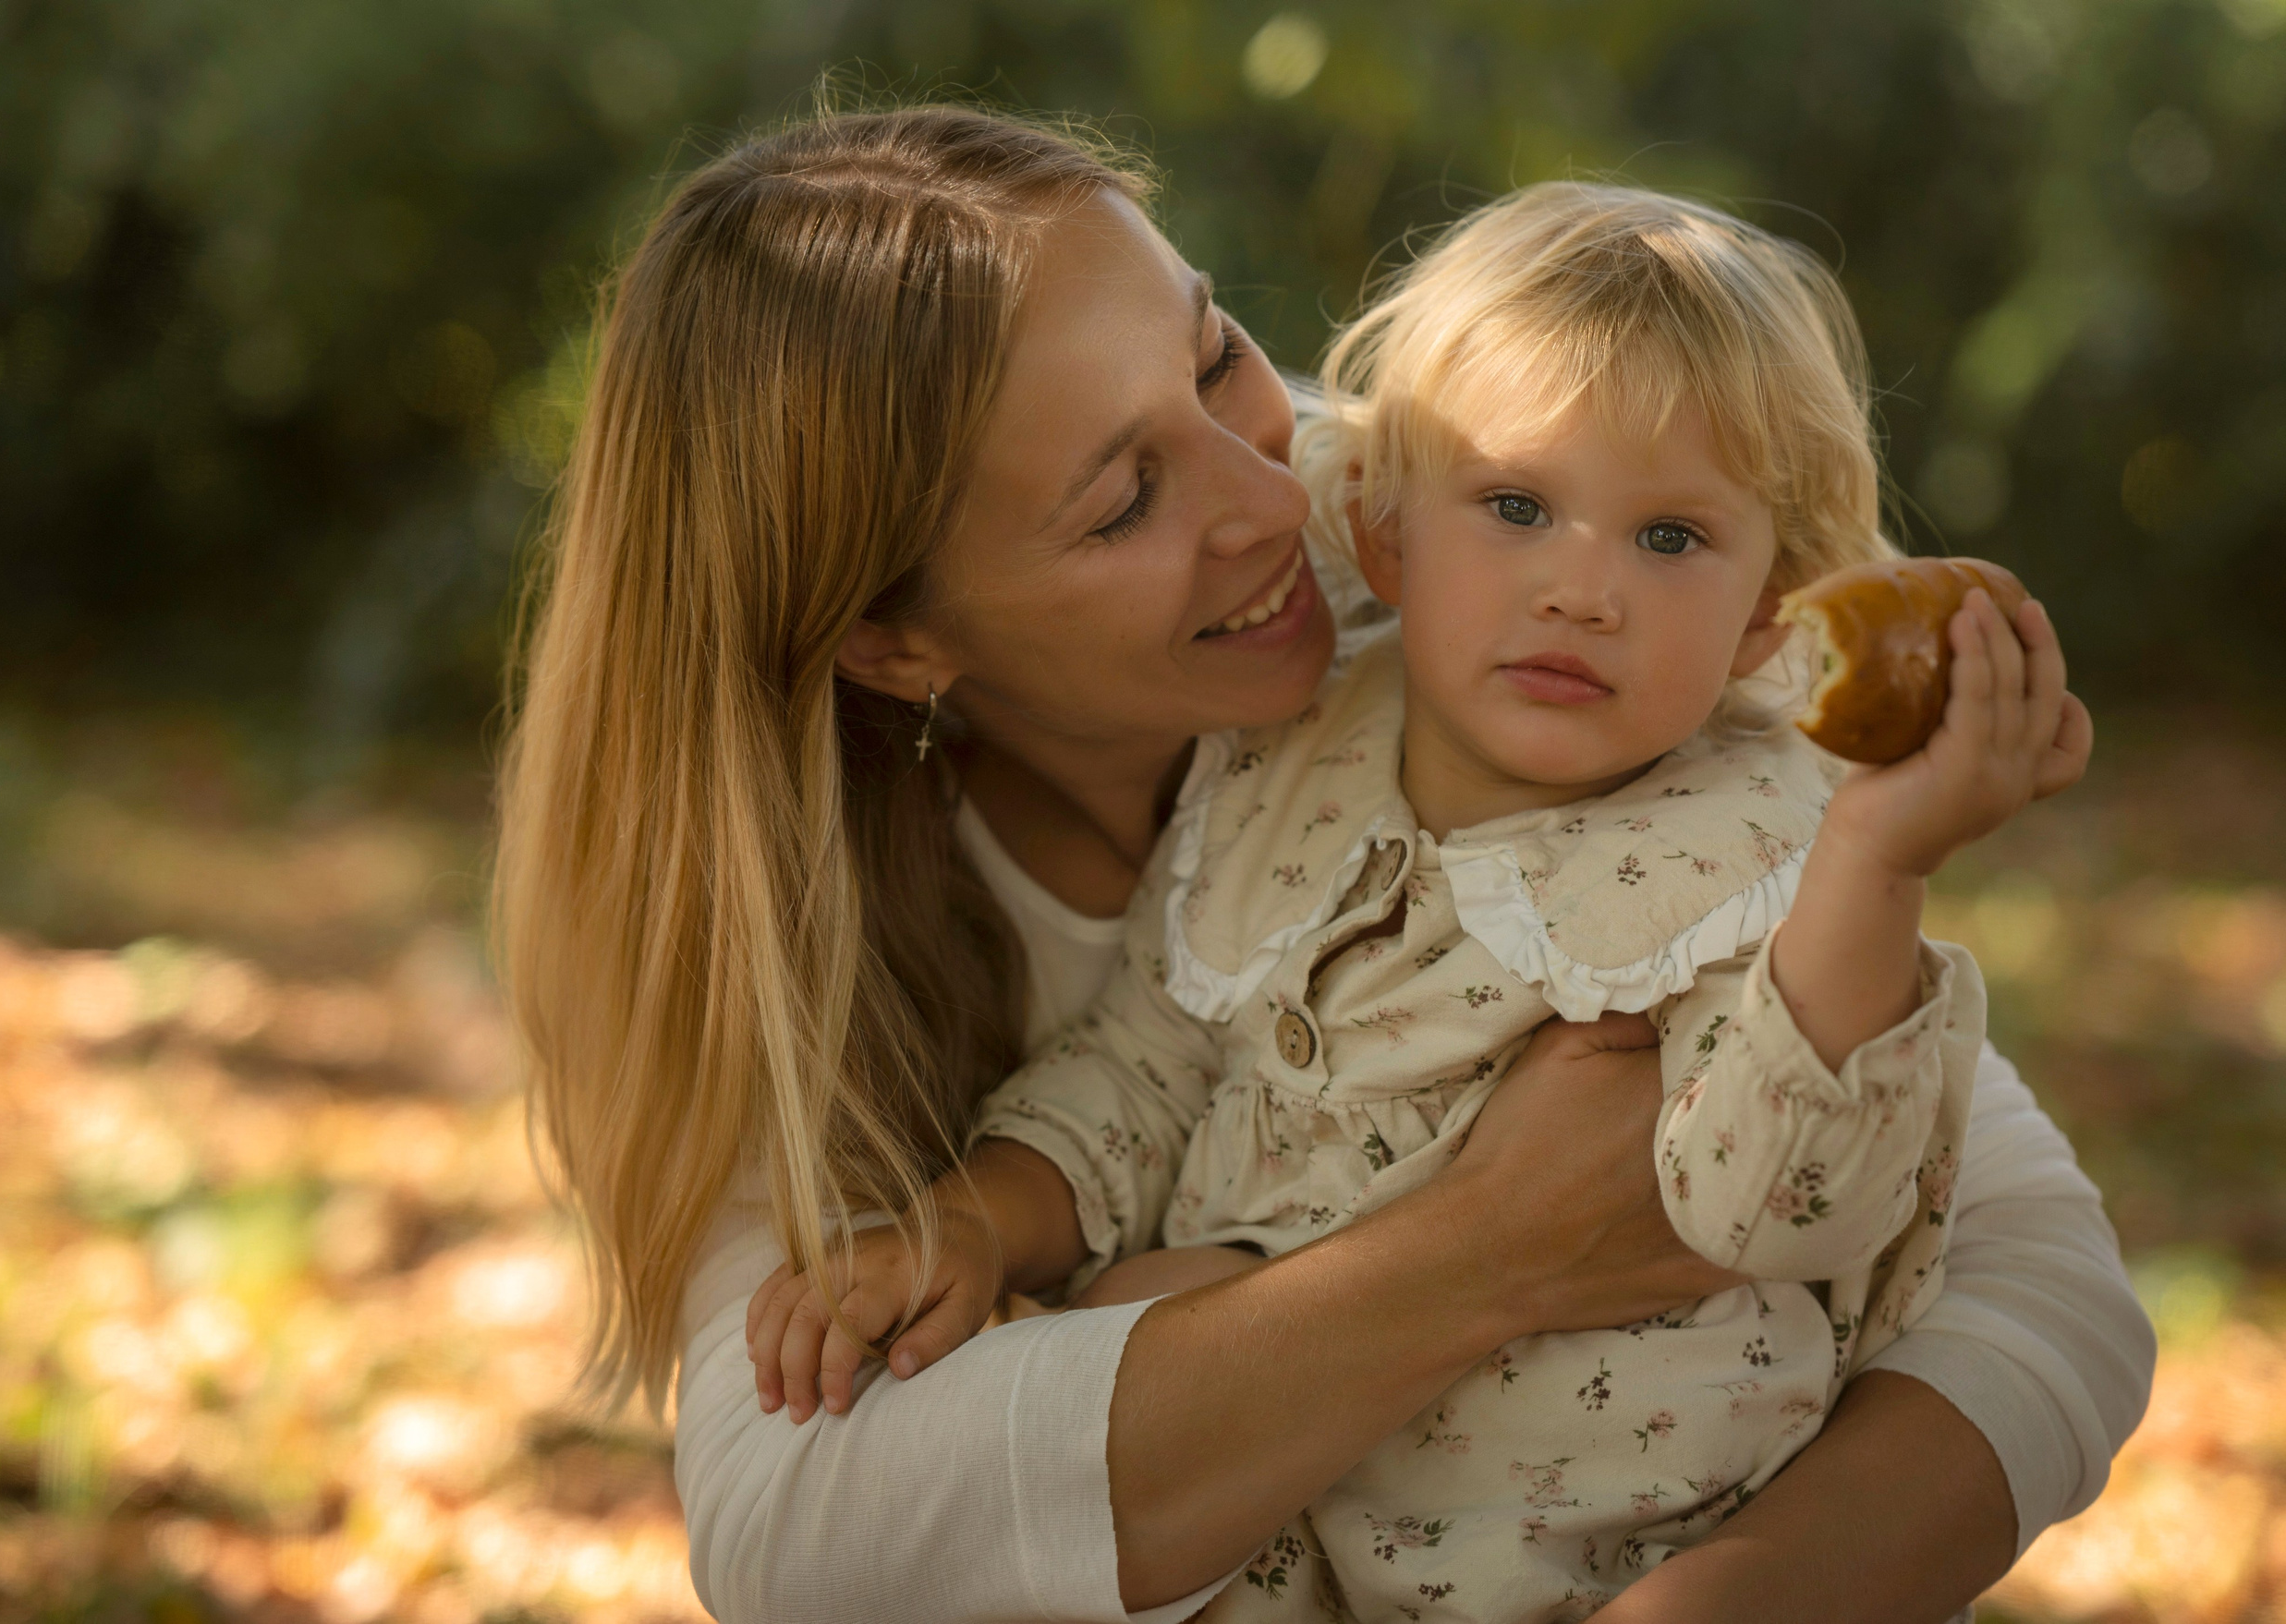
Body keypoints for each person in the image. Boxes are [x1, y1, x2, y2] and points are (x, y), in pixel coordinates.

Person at [492, 103, 2154, 1624]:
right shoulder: (783, 941)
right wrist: (1487, 1243)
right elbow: (803, 1533)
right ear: (893, 642)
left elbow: (2026, 1263)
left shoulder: (1506, 563)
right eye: (1126, 495)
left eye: (1215, 355)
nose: (1271, 489)